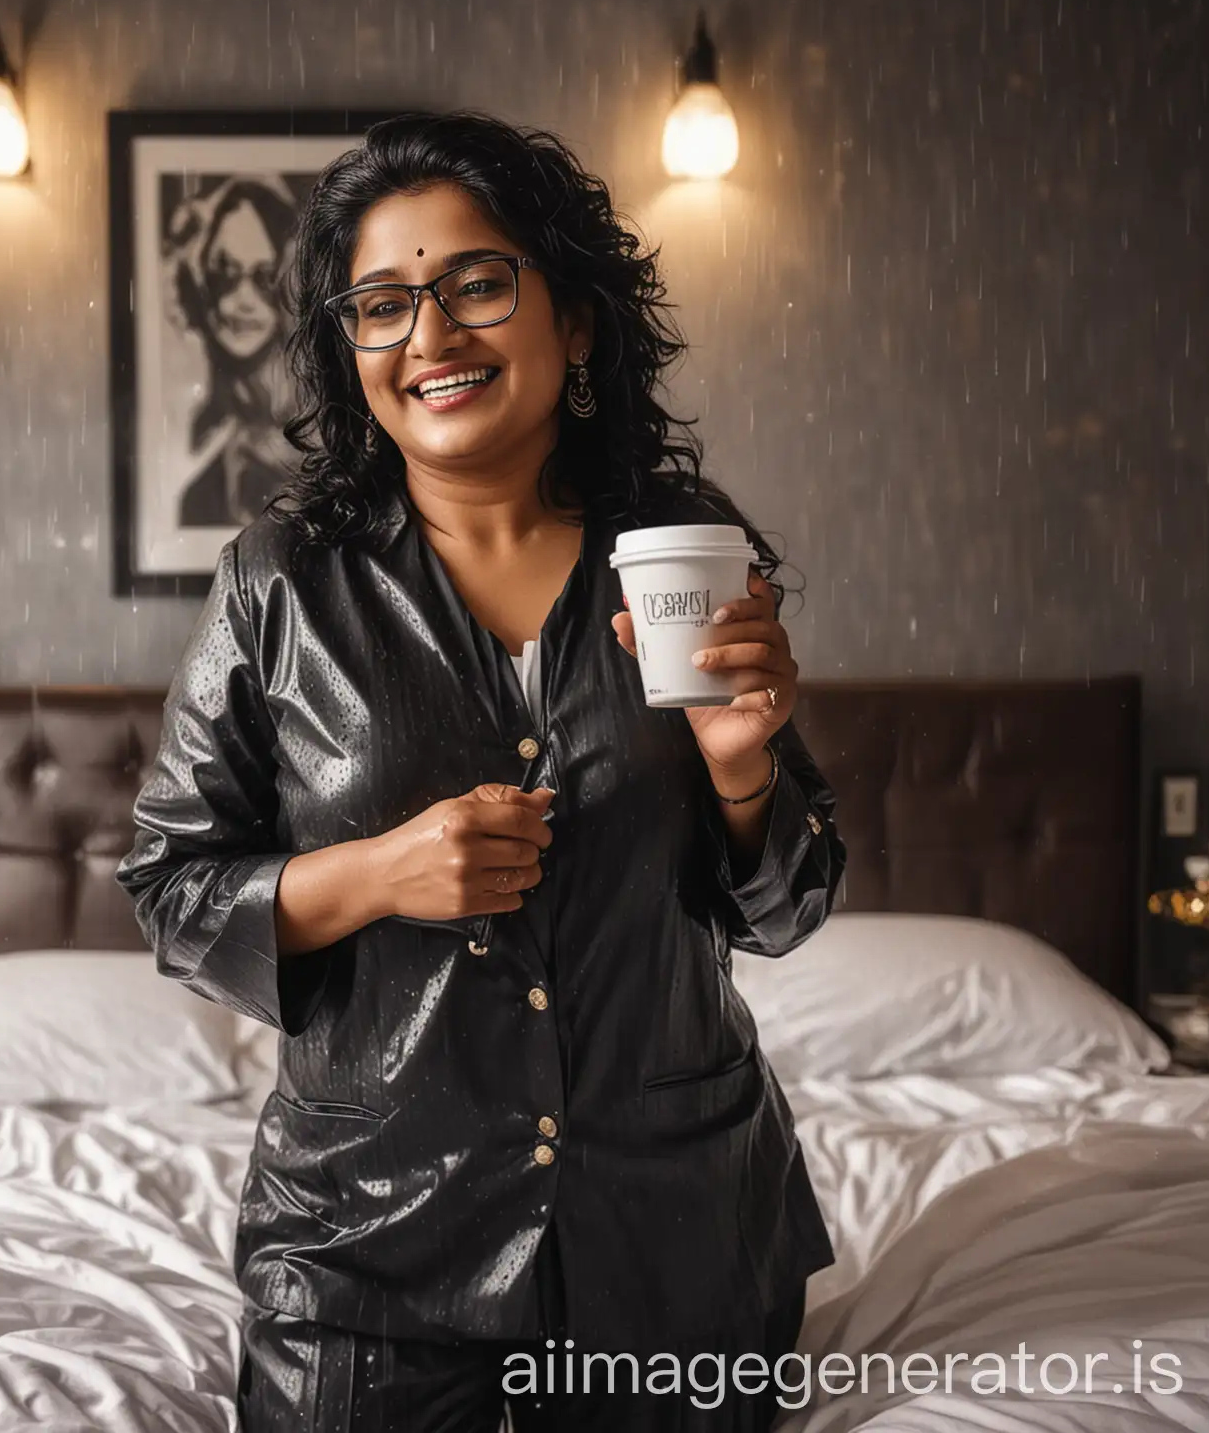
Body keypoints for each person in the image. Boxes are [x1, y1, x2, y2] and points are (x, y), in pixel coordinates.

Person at [117, 109, 847, 1432]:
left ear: (573, 322)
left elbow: (787, 908)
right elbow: (171, 885)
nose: (430, 338)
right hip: (365, 1261)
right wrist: (373, 875)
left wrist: (744, 780)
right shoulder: (279, 586)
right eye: (382, 305)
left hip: (678, 1245)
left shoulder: (684, 550)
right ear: (353, 352)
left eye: (475, 284)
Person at [164, 174, 300, 527]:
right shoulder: (206, 455)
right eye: (225, 274)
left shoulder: (317, 435)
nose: (241, 302)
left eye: (264, 278)